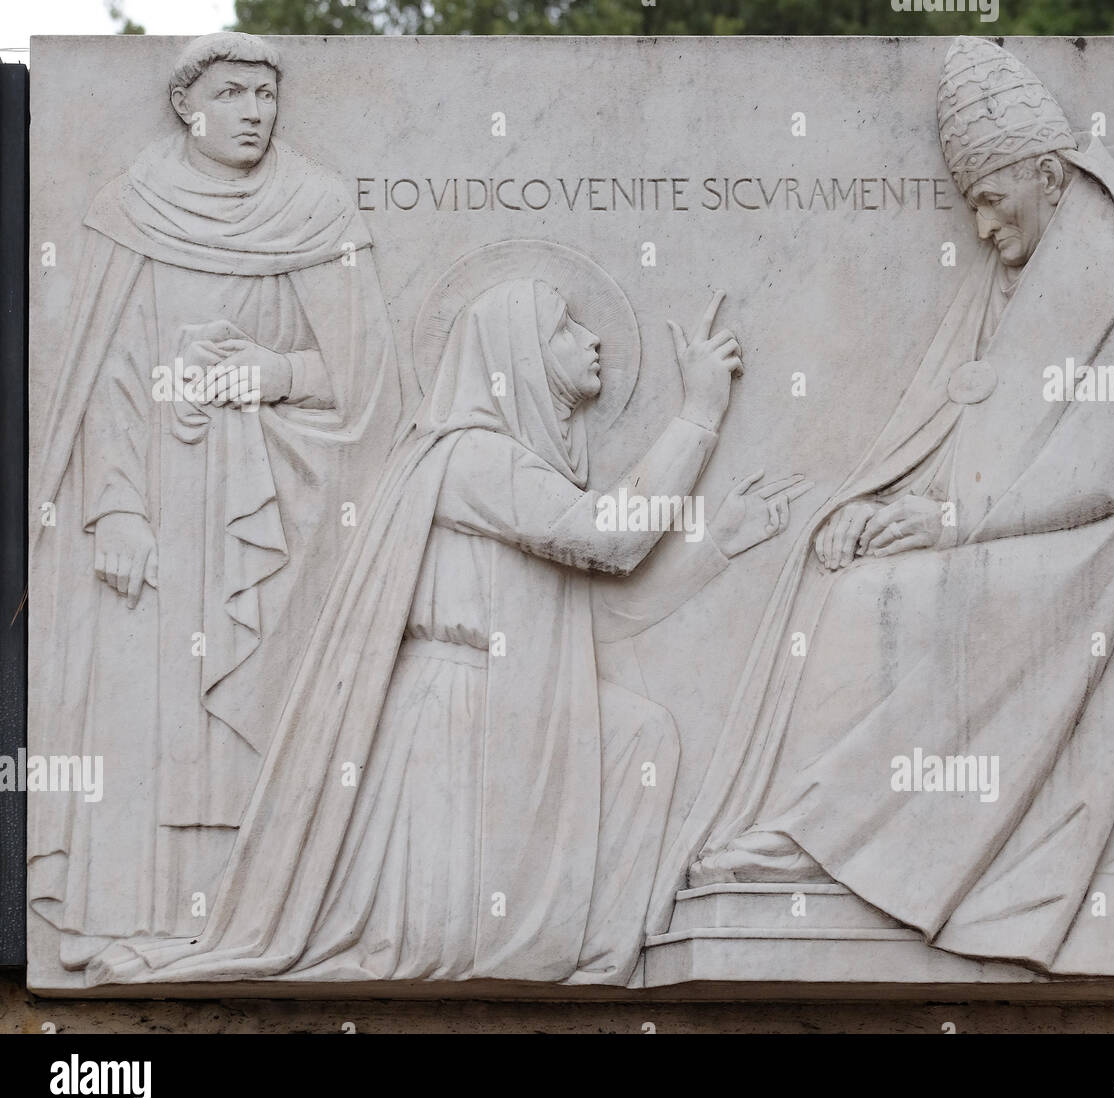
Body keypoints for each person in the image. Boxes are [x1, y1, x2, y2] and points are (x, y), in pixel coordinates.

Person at [651, 37, 1114, 976]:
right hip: (1027, 539)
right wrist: (892, 503)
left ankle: (827, 845)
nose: (978, 226)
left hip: (1106, 569)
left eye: (987, 197)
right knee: (853, 577)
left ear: (1051, 174)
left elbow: (1103, 480)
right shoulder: (1032, 272)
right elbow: (984, 444)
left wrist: (948, 525)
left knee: (905, 602)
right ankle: (816, 834)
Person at [86, 272, 804, 986]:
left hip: (514, 696)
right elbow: (607, 538)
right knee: (635, 738)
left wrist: (720, 547)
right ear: (516, 357)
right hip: (461, 719)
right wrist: (699, 414)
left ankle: (594, 957)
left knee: (642, 731)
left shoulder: (515, 467)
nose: (591, 340)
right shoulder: (470, 454)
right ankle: (536, 946)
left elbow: (594, 621)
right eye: (563, 327)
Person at [29, 32, 410, 968]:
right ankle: (121, 925)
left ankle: (241, 924)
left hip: (273, 511)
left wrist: (270, 372)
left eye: (267, 95)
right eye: (234, 93)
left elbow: (372, 384)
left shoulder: (317, 208)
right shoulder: (129, 211)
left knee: (250, 713)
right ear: (186, 103)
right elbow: (103, 380)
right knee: (142, 706)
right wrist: (114, 509)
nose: (255, 112)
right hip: (156, 504)